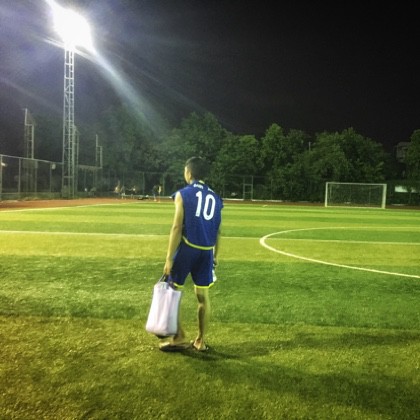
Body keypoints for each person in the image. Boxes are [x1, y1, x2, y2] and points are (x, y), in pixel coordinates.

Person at [159, 157, 223, 352]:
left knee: (172, 291)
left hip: (188, 248)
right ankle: (201, 341)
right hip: (207, 252)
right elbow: (218, 230)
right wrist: (215, 256)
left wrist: (169, 258)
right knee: (203, 296)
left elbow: (177, 226)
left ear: (188, 172)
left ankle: (178, 337)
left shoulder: (183, 194)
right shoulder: (216, 198)